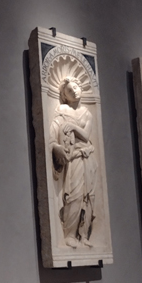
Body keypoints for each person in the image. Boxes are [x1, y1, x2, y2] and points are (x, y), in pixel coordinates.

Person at [50, 77, 97, 248]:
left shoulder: (87, 113)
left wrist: (74, 127)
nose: (74, 91)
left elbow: (86, 135)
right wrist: (55, 147)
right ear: (64, 96)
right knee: (75, 194)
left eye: (75, 87)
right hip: (74, 158)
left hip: (88, 158)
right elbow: (52, 135)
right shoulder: (62, 112)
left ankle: (83, 234)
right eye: (69, 90)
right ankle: (70, 234)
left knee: (89, 196)